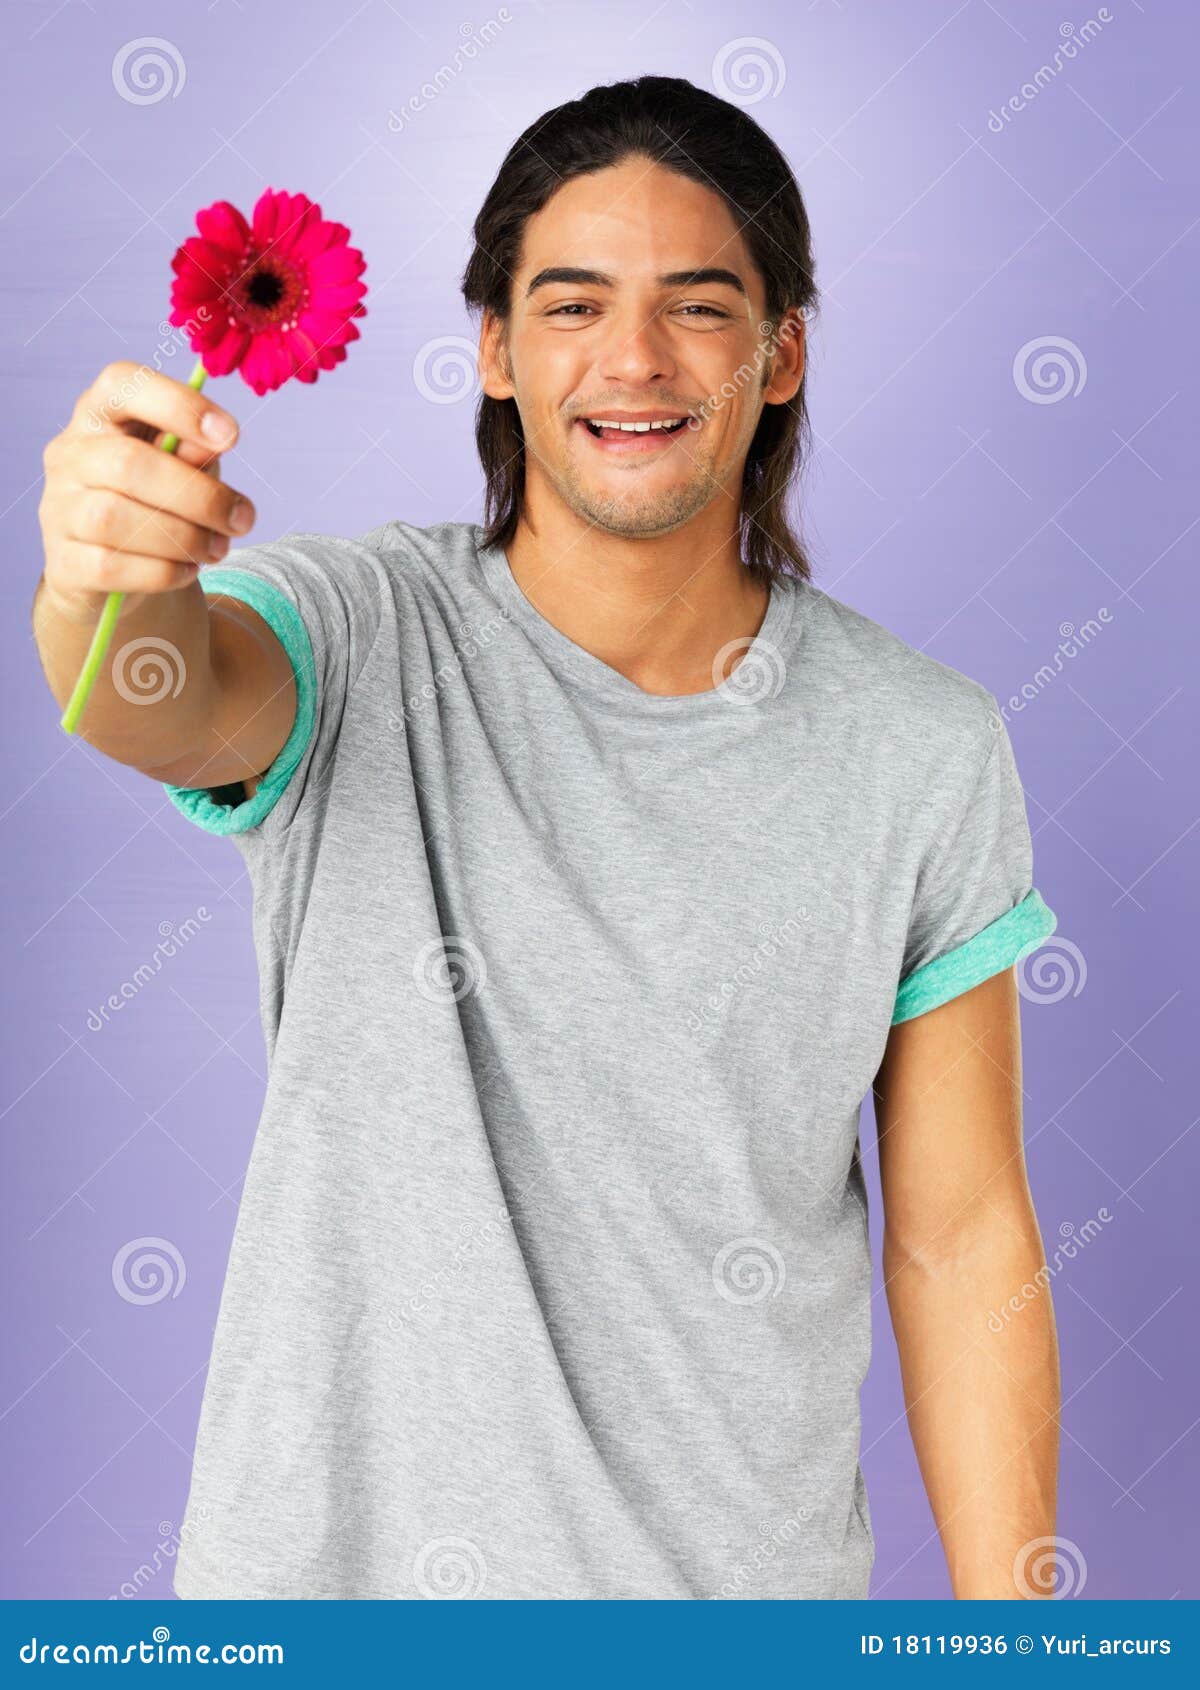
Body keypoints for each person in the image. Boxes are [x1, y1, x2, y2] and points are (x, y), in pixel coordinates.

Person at [33, 76, 1060, 1601]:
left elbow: (964, 1237)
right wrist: (100, 579)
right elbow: (154, 697)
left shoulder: (926, 747)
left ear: (780, 356)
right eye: (571, 305)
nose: (633, 358)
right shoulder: (359, 635)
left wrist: (1020, 1643)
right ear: (499, 353)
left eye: (700, 308)